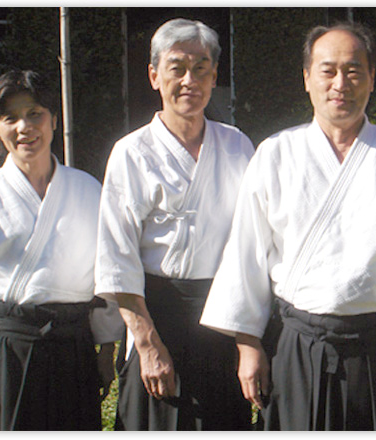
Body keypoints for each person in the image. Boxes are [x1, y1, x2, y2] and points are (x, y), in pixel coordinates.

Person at [200, 22, 376, 431]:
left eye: (354, 70)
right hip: (298, 344)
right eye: (327, 71)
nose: (340, 83)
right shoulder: (276, 153)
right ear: (307, 78)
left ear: (372, 78)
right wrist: (248, 344)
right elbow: (246, 254)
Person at [94, 18, 254, 431]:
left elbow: (253, 244)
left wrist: (249, 339)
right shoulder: (131, 153)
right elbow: (116, 256)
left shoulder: (237, 145)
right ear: (153, 75)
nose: (190, 80)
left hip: (220, 317)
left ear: (215, 76)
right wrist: (146, 344)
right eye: (177, 67)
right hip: (156, 315)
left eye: (201, 68)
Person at [0, 69, 122, 430]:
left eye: (34, 114)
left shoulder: (87, 189)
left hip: (73, 344)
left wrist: (108, 347)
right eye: (10, 118)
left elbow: (107, 271)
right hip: (9, 344)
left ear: (53, 119)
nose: (24, 128)